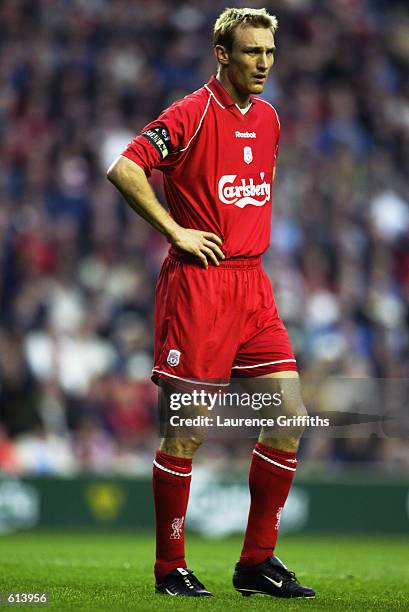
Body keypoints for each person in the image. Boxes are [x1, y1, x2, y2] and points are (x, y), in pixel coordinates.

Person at [107, 7, 315, 599]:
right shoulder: (190, 113)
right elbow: (124, 169)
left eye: (270, 53)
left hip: (253, 287)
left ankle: (257, 563)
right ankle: (170, 567)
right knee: (187, 433)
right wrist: (175, 231)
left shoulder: (271, 118)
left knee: (287, 419)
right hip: (199, 286)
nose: (264, 64)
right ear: (222, 54)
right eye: (252, 52)